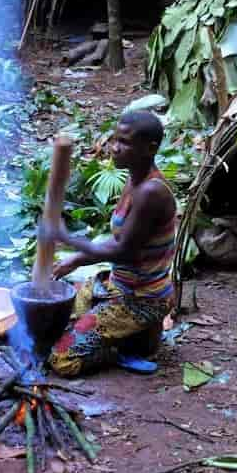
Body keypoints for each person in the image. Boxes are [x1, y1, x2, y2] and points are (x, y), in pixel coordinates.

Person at [43, 110, 177, 377]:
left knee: (61, 360)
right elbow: (121, 239)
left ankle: (120, 348)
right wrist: (74, 260)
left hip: (142, 298)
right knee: (56, 311)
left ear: (150, 148)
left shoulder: (151, 192)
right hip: (119, 284)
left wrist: (69, 239)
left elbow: (123, 251)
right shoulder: (134, 177)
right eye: (114, 139)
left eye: (124, 142)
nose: (114, 148)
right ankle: (131, 336)